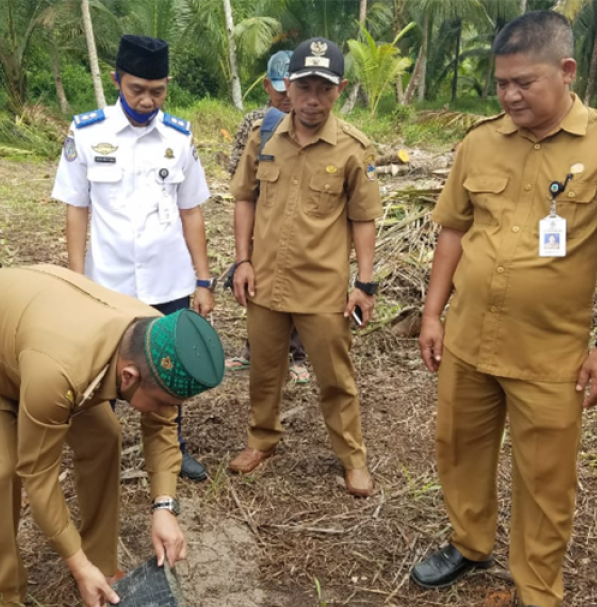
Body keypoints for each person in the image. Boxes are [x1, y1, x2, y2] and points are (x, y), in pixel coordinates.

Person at [410, 10, 597, 607]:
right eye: (500, 84)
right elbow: (452, 232)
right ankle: (469, 544)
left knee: (546, 480)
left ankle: (539, 596)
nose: (510, 95)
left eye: (523, 82)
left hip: (550, 355)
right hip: (470, 338)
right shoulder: (481, 143)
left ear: (566, 71)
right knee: (459, 448)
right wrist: (433, 314)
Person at [0, 264, 226, 607]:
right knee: (2, 471)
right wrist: (73, 559)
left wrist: (164, 508)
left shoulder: (155, 334)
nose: (168, 411)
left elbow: (161, 429)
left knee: (104, 437)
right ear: (129, 376)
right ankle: (0, 602)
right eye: (164, 401)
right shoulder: (60, 372)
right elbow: (39, 475)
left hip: (31, 340)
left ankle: (99, 563)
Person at [52, 34, 216, 481]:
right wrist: (75, 282)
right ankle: (98, 451)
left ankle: (171, 451)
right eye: (136, 89)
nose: (147, 100)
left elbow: (191, 210)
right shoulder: (87, 133)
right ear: (115, 80)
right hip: (108, 283)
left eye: (157, 91)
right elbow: (76, 208)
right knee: (99, 373)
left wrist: (202, 280)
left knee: (171, 369)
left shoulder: (179, 137)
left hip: (168, 280)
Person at [227, 37, 382, 497]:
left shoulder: (353, 149)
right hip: (265, 281)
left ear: (340, 90)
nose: (313, 99)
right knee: (264, 369)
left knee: (335, 378)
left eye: (324, 88)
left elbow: (363, 219)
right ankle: (262, 439)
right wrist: (241, 262)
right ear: (287, 86)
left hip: (322, 288)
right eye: (304, 86)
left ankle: (352, 458)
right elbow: (244, 199)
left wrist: (365, 284)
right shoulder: (263, 137)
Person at [225, 50, 309, 384]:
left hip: (301, 221)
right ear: (268, 87)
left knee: (300, 284)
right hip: (263, 216)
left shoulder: (312, 122)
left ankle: (298, 354)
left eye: (291, 91)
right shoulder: (256, 124)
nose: (286, 98)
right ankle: (255, 350)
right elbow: (238, 172)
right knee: (257, 286)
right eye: (280, 90)